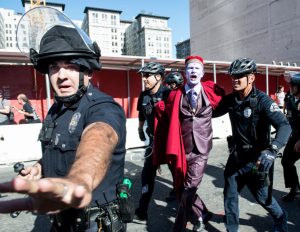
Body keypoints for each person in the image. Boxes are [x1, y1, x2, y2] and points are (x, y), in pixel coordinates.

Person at [0, 7, 127, 232]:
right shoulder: (56, 109)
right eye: (54, 67)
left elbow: (99, 139)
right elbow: (57, 150)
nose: (61, 75)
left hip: (94, 224)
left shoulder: (103, 107)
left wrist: (79, 181)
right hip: (60, 221)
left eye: (70, 66)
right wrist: (39, 169)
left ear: (87, 71)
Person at [213, 58, 291, 232]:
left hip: (259, 160)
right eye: (233, 75)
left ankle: (280, 217)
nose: (235, 79)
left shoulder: (263, 101)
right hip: (237, 158)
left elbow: (285, 126)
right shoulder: (231, 100)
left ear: (251, 78)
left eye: (240, 75)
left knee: (263, 198)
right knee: (230, 195)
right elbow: (211, 112)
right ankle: (231, 229)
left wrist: (273, 150)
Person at [153, 55, 224, 232]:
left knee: (189, 189)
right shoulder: (174, 97)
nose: (193, 71)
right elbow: (163, 116)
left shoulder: (213, 92)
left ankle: (178, 227)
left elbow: (229, 105)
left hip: (201, 149)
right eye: (190, 68)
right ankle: (204, 213)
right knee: (180, 187)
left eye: (196, 68)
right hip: (182, 148)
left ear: (202, 73)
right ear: (185, 73)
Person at [134, 61, 171, 222]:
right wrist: (140, 129)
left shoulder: (169, 94)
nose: (144, 79)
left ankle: (195, 211)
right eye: (143, 75)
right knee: (146, 175)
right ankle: (142, 210)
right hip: (153, 143)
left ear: (158, 77)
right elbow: (142, 115)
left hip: (170, 143)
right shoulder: (143, 95)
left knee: (179, 178)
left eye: (147, 75)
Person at [281, 71, 300, 202]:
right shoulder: (290, 97)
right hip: (295, 135)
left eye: (293, 85)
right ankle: (295, 189)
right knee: (286, 161)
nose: (290, 87)